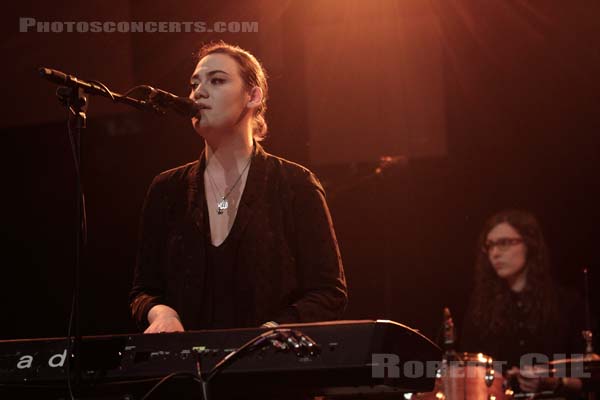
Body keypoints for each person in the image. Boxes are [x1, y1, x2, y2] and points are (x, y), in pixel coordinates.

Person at [129, 41, 348, 334]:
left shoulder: (296, 184)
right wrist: (161, 314)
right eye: (194, 84)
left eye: (217, 80)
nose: (198, 92)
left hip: (272, 371)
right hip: (188, 374)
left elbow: (328, 292)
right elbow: (144, 290)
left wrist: (272, 330)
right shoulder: (166, 189)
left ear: (253, 96)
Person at [461, 209, 587, 397]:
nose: (495, 253)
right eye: (490, 245)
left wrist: (553, 382)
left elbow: (589, 373)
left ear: (530, 245)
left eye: (504, 243)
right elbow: (468, 369)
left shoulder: (567, 304)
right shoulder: (480, 308)